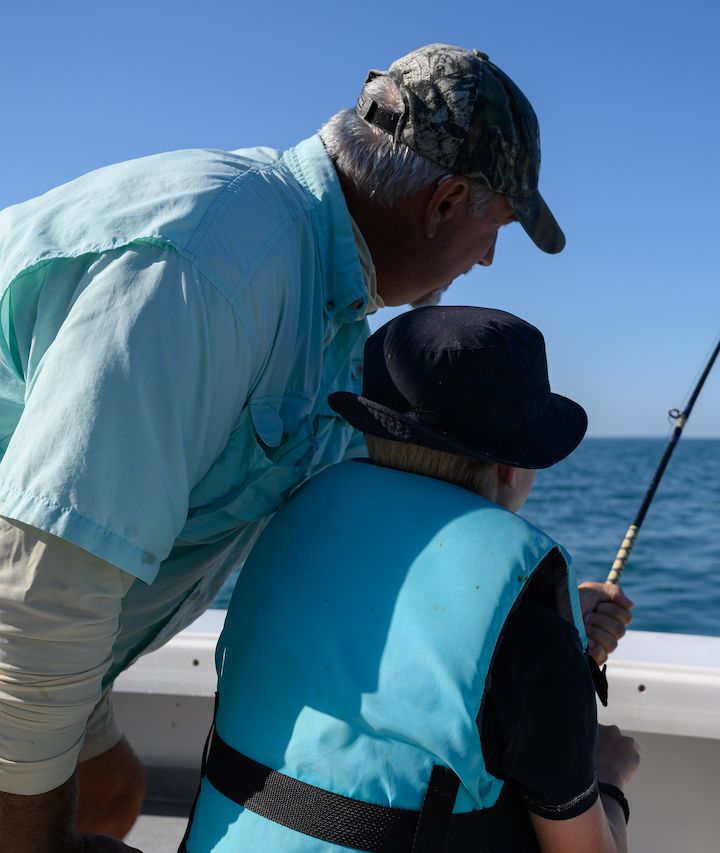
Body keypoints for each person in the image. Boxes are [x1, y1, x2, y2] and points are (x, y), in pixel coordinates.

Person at [0, 44, 632, 852]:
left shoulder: (326, 314)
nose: (487, 259)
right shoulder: (212, 268)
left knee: (115, 787)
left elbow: (357, 554)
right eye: (494, 228)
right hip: (24, 630)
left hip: (68, 652)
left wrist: (529, 619)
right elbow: (37, 599)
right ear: (445, 202)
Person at [182, 306, 639, 853]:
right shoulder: (533, 640)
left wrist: (557, 632)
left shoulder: (291, 524)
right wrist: (606, 776)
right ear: (512, 466)